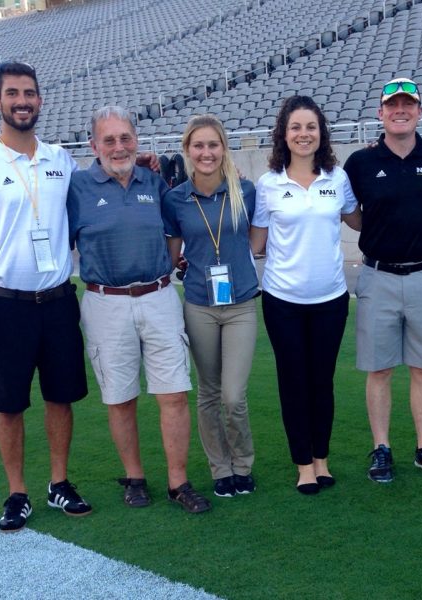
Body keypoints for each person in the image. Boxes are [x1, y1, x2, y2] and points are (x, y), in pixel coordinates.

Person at [0, 61, 91, 532]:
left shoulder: (60, 160)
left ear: (40, 100)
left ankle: (59, 483)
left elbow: (91, 202)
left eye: (29, 93)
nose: (22, 101)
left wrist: (145, 163)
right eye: (12, 94)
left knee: (61, 397)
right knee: (8, 404)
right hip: (6, 303)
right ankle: (17, 493)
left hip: (57, 300)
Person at [67, 106, 211, 513]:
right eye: (108, 140)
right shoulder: (77, 188)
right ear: (93, 146)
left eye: (125, 138)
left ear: (137, 140)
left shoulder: (156, 180)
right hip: (105, 302)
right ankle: (134, 477)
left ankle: (178, 482)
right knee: (120, 397)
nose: (118, 147)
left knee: (174, 394)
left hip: (159, 296)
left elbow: (181, 227)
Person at [343, 78, 422, 483]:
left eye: (408, 104)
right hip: (378, 277)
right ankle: (382, 448)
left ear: (420, 112)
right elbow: (348, 210)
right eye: (393, 105)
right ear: (380, 113)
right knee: (380, 369)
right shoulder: (360, 162)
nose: (400, 110)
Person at [251, 95, 361, 494]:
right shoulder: (268, 185)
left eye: (310, 127)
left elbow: (359, 219)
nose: (303, 134)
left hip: (331, 300)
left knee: (322, 382)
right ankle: (303, 465)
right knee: (293, 382)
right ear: (284, 133)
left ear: (321, 133)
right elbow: (256, 243)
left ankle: (322, 460)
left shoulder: (338, 179)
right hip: (283, 302)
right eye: (295, 127)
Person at [165, 114, 258, 499]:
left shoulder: (246, 191)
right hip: (200, 304)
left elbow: (257, 242)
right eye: (198, 146)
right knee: (208, 391)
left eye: (213, 145)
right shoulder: (175, 199)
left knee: (233, 395)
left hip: (241, 305)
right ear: (187, 150)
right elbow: (171, 257)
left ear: (224, 148)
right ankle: (220, 468)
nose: (206, 153)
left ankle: (243, 463)